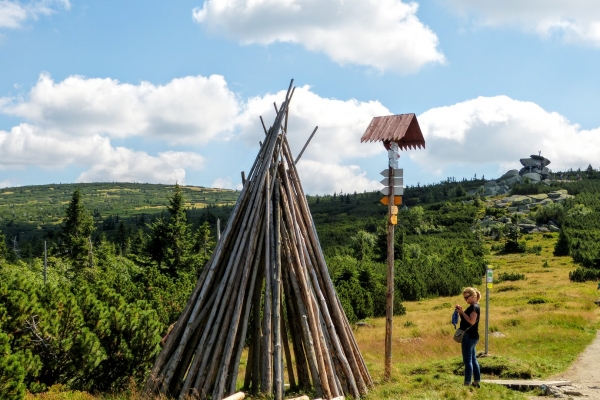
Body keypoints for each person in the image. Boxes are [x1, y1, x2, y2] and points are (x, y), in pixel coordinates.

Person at [455, 287, 481, 388]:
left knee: (468, 361)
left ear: (474, 296)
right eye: (464, 298)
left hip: (469, 336)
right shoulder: (474, 306)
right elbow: (467, 319)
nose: (466, 300)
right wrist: (461, 311)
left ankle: (467, 382)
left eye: (467, 297)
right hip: (473, 336)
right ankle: (476, 381)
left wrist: (462, 313)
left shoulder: (474, 307)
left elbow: (471, 321)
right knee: (473, 359)